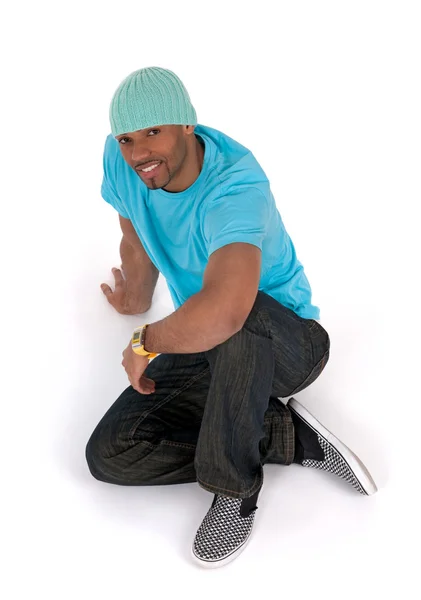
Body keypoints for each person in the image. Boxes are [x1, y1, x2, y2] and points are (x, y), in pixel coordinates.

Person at [85, 66, 377, 568]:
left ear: (187, 125)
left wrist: (145, 339)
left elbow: (226, 310)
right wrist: (135, 297)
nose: (139, 154)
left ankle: (233, 488)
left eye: (152, 133)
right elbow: (134, 236)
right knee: (112, 452)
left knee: (235, 318)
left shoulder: (235, 187)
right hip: (208, 335)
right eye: (128, 139)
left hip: (288, 340)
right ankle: (286, 436)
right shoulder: (122, 162)